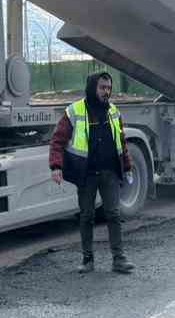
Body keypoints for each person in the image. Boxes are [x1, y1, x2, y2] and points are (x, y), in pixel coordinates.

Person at [48, 71, 134, 274]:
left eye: (109, 88)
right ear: (92, 87)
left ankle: (118, 259)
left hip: (110, 172)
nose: (106, 92)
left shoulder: (113, 111)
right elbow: (57, 140)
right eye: (102, 87)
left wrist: (127, 166)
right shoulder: (75, 111)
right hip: (86, 174)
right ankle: (88, 260)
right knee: (86, 216)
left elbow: (121, 141)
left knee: (113, 214)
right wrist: (56, 166)